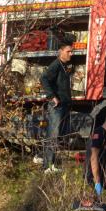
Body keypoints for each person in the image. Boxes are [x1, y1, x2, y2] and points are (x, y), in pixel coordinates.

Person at [41, 43, 74, 172]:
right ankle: (47, 166)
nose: (71, 54)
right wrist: (51, 96)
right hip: (56, 106)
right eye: (68, 51)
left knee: (58, 135)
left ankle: (49, 162)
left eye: (72, 52)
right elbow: (43, 78)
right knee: (53, 134)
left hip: (64, 105)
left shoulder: (64, 66)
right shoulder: (55, 65)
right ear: (60, 51)